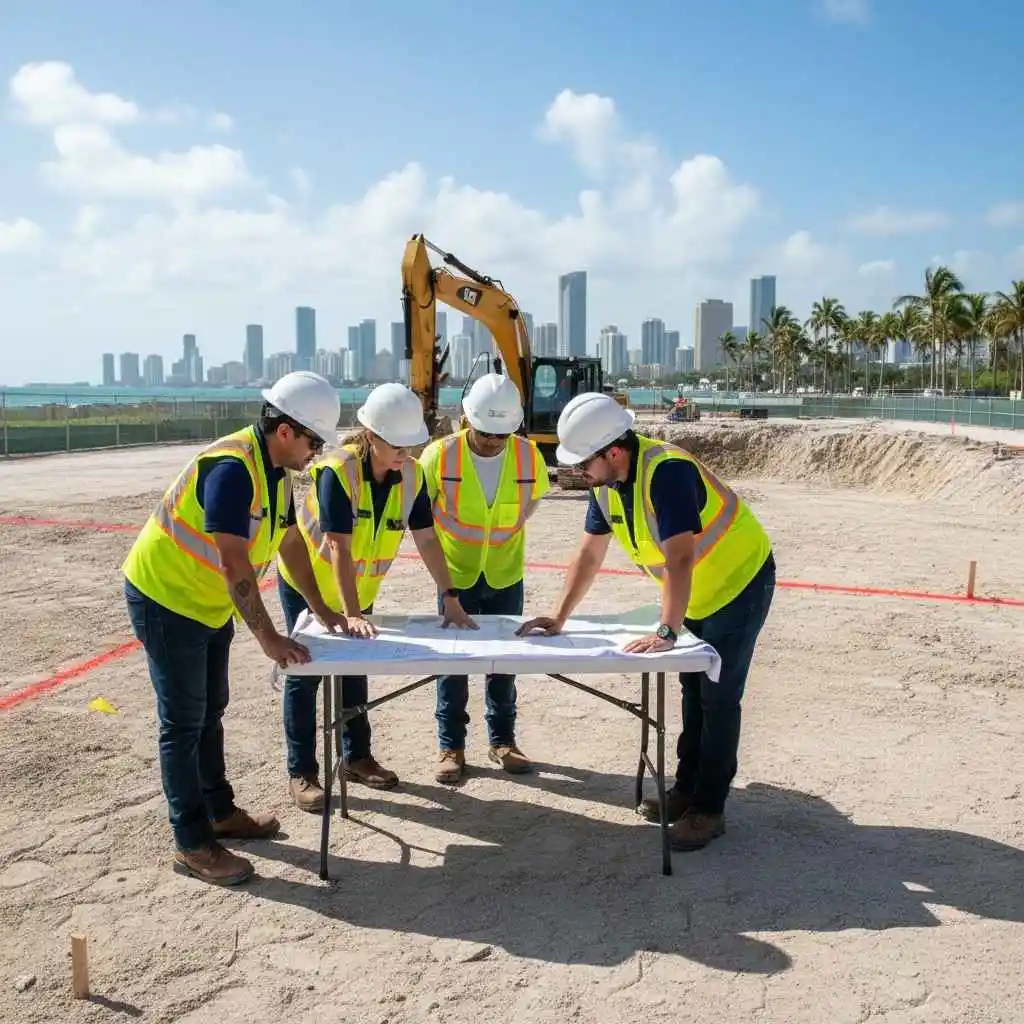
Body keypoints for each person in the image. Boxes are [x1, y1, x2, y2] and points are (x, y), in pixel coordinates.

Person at [517, 392, 775, 850]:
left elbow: (680, 559)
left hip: (739, 584)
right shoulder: (605, 485)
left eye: (584, 462)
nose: (578, 471)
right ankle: (687, 788)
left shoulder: (667, 473)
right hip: (697, 592)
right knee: (692, 689)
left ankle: (708, 809)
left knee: (718, 698)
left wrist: (666, 631)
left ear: (614, 452)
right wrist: (559, 615)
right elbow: (589, 554)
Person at [122, 371, 351, 886]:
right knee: (183, 723)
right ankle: (192, 844)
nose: (317, 452)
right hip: (166, 598)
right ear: (286, 431)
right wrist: (268, 637)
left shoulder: (277, 470)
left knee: (211, 711)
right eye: (314, 441)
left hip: (206, 604)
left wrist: (321, 606)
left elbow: (289, 542)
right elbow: (233, 562)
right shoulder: (232, 469)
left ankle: (220, 812)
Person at [277, 382, 476, 812]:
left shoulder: (413, 475)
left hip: (357, 589)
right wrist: (349, 614)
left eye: (411, 444)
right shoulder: (338, 471)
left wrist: (450, 595)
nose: (406, 452)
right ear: (371, 436)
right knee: (304, 674)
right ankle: (303, 772)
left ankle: (357, 757)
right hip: (309, 585)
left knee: (355, 670)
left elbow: (426, 538)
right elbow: (338, 546)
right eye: (397, 444)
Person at [419, 373, 550, 783]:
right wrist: (446, 586)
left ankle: (503, 741)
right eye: (485, 432)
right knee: (452, 662)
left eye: (501, 434)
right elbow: (421, 520)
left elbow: (531, 502)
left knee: (504, 662)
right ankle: (451, 746)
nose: (493, 441)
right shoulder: (439, 456)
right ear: (466, 419)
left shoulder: (529, 456)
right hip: (454, 577)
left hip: (505, 575)